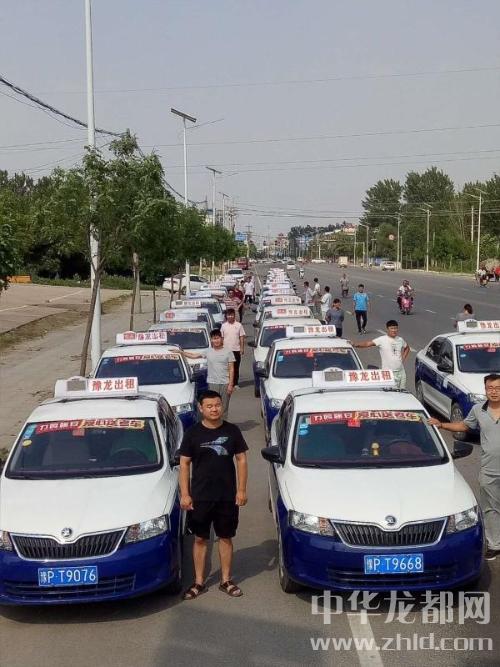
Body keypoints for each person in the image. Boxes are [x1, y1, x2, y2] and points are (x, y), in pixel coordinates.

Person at [179, 390, 248, 599]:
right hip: (200, 496)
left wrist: (241, 490)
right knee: (200, 538)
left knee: (225, 537)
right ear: (201, 408)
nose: (214, 409)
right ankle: (199, 582)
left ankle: (226, 580)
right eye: (209, 406)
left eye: (217, 405)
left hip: (227, 496)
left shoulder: (232, 431)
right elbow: (184, 463)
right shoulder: (192, 433)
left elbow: (241, 460)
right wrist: (185, 494)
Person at [428, 374, 500, 560]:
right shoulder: (478, 410)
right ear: (485, 390)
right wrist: (442, 424)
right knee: (490, 508)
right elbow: (464, 426)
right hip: (489, 470)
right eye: (490, 388)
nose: (494, 391)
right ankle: (494, 544)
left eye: (497, 388)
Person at [182, 329, 235, 417]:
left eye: (218, 338)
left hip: (225, 383)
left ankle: (223, 424)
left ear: (221, 339)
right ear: (211, 340)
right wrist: (181, 352)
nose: (216, 341)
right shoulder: (208, 351)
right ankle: (214, 423)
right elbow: (194, 356)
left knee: (224, 407)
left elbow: (231, 369)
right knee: (214, 405)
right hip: (213, 383)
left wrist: (230, 384)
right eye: (214, 338)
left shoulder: (228, 352)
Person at [352, 319, 410, 389]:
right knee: (392, 393)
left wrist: (403, 358)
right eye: (392, 328)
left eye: (395, 328)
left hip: (401, 372)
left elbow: (407, 348)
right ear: (387, 329)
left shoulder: (400, 339)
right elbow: (367, 344)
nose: (394, 330)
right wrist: (355, 344)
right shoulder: (382, 339)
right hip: (388, 374)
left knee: (402, 392)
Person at [221, 308, 245, 388]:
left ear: (234, 315)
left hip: (236, 349)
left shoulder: (239, 325)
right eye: (228, 315)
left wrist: (242, 348)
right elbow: (222, 338)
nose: (230, 316)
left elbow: (241, 337)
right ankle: (227, 382)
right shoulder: (223, 326)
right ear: (226, 316)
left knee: (236, 367)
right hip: (226, 350)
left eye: (231, 315)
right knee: (227, 367)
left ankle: (235, 383)